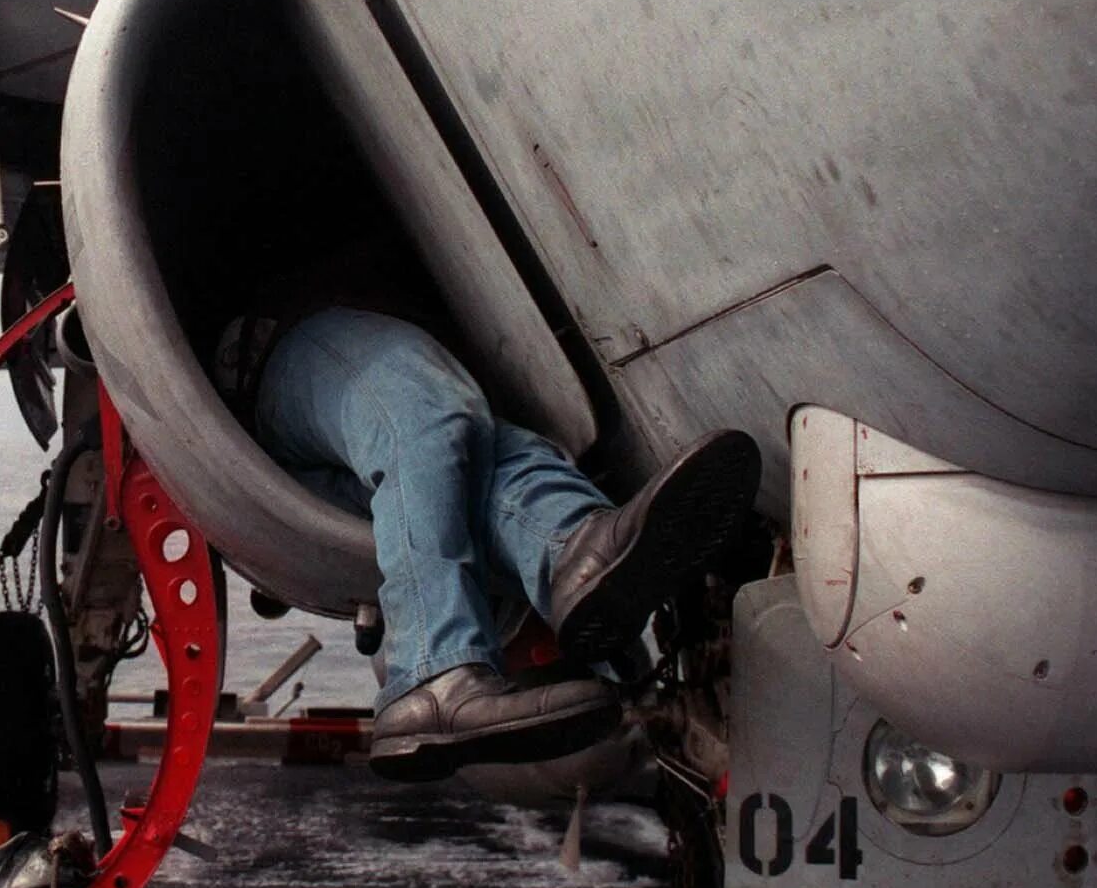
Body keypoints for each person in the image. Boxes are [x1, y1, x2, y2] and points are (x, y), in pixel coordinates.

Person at [218, 254, 758, 781]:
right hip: (291, 344)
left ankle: (574, 551)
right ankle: (430, 671)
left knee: (476, 468)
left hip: (328, 448)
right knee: (424, 413)